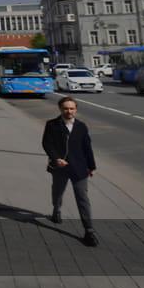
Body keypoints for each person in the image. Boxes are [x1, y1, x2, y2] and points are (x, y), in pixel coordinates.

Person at [41, 96, 98, 246]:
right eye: (66, 108)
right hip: (60, 167)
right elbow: (47, 143)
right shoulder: (52, 125)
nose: (69, 111)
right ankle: (56, 210)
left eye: (72, 108)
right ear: (60, 109)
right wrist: (56, 158)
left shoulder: (81, 126)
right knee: (57, 192)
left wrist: (91, 166)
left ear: (76, 110)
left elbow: (87, 147)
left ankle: (89, 231)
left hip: (79, 168)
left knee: (82, 198)